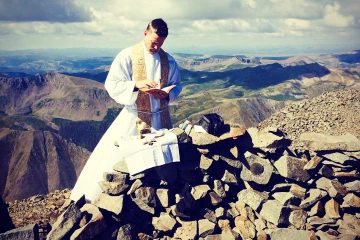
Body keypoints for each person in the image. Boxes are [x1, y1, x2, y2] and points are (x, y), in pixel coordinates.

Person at [70, 18, 182, 202]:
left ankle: (157, 195)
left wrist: (167, 94)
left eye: (160, 44)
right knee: (121, 161)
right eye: (153, 42)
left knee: (161, 161)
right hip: (135, 118)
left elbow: (177, 85)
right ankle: (110, 198)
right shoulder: (127, 56)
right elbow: (112, 83)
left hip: (161, 118)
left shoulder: (168, 60)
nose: (156, 47)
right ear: (145, 33)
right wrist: (136, 85)